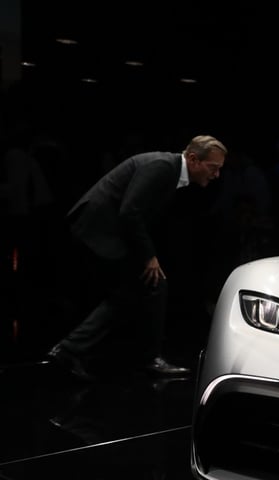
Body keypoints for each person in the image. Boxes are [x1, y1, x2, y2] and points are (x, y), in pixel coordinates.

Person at [47, 135, 227, 381]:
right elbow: (130, 212)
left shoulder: (170, 169)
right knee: (142, 287)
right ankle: (85, 351)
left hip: (106, 230)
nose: (216, 175)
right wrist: (148, 256)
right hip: (98, 230)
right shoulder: (163, 167)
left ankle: (97, 352)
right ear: (194, 159)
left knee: (143, 288)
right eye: (213, 167)